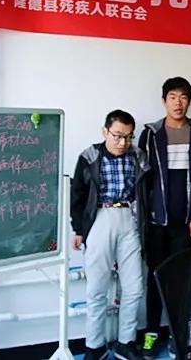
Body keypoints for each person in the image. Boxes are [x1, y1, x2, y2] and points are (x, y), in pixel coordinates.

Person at [137, 77, 191, 358]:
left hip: (186, 223)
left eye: (183, 97)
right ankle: (151, 332)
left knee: (182, 279)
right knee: (155, 278)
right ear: (164, 101)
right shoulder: (151, 134)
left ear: (189, 101)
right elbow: (143, 180)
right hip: (157, 222)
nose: (178, 103)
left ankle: (177, 334)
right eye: (172, 97)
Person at [70, 110, 150, 360]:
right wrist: (78, 229)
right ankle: (94, 346)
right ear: (105, 131)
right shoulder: (89, 156)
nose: (123, 142)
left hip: (130, 218)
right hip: (100, 218)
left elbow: (147, 192)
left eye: (128, 136)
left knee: (134, 286)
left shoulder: (138, 156)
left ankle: (126, 341)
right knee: (97, 288)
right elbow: (77, 193)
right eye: (117, 136)